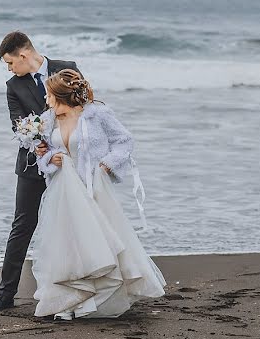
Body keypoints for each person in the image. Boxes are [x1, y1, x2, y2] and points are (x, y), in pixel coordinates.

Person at [31, 69, 165, 319]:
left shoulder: (96, 114)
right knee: (68, 244)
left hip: (94, 188)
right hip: (65, 191)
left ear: (61, 95)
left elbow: (124, 141)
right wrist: (51, 158)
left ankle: (97, 303)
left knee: (101, 244)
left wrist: (106, 165)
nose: (46, 100)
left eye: (49, 95)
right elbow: (43, 155)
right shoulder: (47, 120)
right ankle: (69, 302)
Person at [0, 31, 80, 312]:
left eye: (10, 63)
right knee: (23, 225)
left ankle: (80, 286)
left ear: (23, 55)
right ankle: (5, 294)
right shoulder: (13, 86)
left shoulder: (68, 68)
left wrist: (61, 145)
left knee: (77, 220)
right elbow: (17, 125)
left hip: (68, 159)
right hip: (31, 164)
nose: (10, 69)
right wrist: (37, 143)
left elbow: (81, 110)